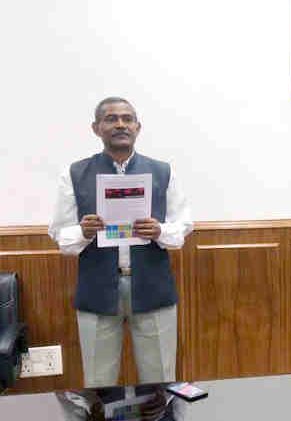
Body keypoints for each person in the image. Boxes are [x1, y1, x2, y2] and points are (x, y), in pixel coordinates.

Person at [49, 97, 192, 388]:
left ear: (138, 127)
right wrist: (83, 232)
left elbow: (184, 227)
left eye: (127, 119)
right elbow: (59, 234)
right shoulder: (75, 174)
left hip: (153, 288)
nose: (120, 125)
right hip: (97, 289)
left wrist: (159, 231)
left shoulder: (163, 171)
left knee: (160, 381)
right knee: (99, 383)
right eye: (111, 119)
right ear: (96, 128)